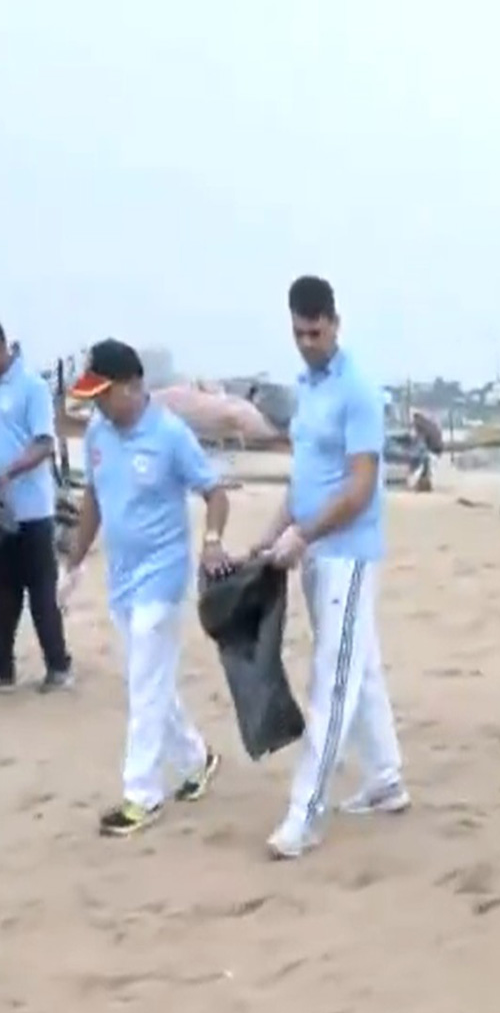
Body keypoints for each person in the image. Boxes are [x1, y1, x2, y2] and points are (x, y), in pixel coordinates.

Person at [250, 275, 408, 860]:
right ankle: (386, 778)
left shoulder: (358, 392)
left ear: (335, 323)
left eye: (316, 332)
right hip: (312, 550)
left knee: (332, 681)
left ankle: (304, 813)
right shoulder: (306, 388)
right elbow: (304, 480)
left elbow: (361, 488)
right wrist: (270, 537)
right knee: (358, 667)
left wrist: (305, 533)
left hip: (347, 554)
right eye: (298, 333)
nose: (308, 342)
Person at [59, 341, 227, 835]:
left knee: (144, 684)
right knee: (148, 680)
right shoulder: (98, 431)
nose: (96, 405)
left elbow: (214, 492)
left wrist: (213, 541)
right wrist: (72, 564)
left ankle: (141, 795)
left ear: (132, 387)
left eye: (103, 394)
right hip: (122, 579)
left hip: (163, 574)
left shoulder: (171, 436)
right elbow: (93, 495)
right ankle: (197, 760)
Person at [0, 325, 73, 692]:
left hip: (33, 510)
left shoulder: (32, 387)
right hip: (2, 512)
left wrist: (9, 472)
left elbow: (44, 443)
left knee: (41, 592)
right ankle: (3, 671)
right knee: (3, 592)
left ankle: (58, 668)